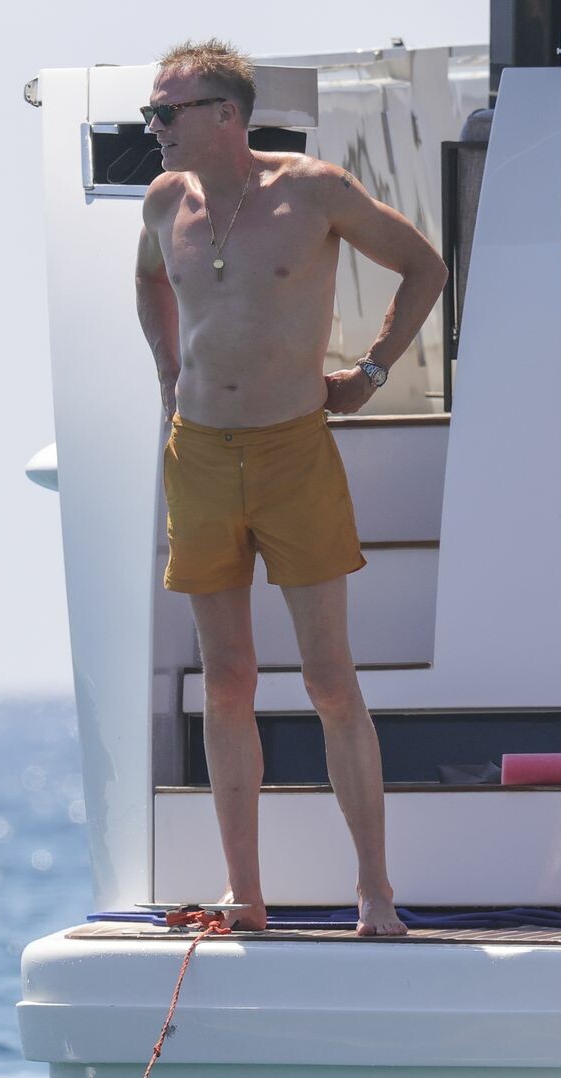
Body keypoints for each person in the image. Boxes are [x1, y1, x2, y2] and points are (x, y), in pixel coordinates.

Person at [134, 39, 447, 936]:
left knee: (329, 678)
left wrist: (373, 374)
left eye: (168, 111)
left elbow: (424, 266)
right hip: (199, 456)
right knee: (226, 681)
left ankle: (375, 892)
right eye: (152, 111)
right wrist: (168, 375)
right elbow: (151, 283)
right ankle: (246, 895)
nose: (154, 127)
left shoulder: (312, 191)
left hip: (292, 451)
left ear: (226, 115)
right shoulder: (164, 202)